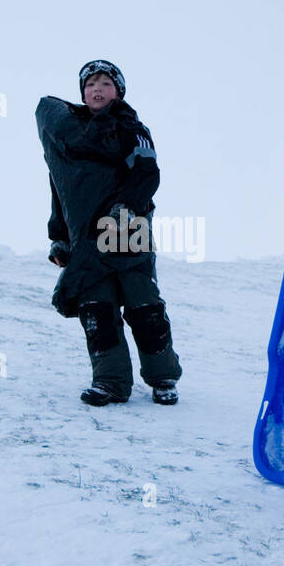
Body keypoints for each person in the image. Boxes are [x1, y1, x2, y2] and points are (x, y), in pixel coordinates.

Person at [36, 60, 183, 406]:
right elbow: (61, 191)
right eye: (89, 85)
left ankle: (162, 377)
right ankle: (111, 381)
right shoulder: (70, 139)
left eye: (105, 83)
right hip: (86, 235)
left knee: (142, 303)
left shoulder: (131, 127)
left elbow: (148, 173)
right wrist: (60, 236)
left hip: (127, 227)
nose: (96, 89)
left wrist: (126, 207)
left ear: (118, 91)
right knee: (96, 308)